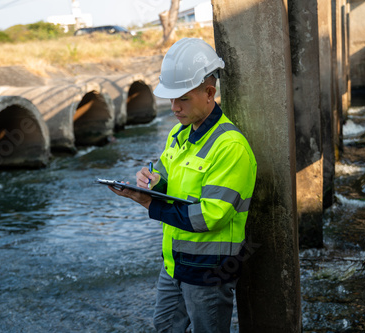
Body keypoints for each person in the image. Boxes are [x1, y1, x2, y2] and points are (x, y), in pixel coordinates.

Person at [108, 38, 257, 332]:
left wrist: (151, 203)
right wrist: (151, 182)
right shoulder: (179, 134)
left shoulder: (231, 147)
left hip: (209, 273)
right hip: (174, 263)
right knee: (164, 327)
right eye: (170, 99)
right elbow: (164, 174)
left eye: (183, 99)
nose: (173, 107)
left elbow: (211, 215)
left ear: (209, 93)